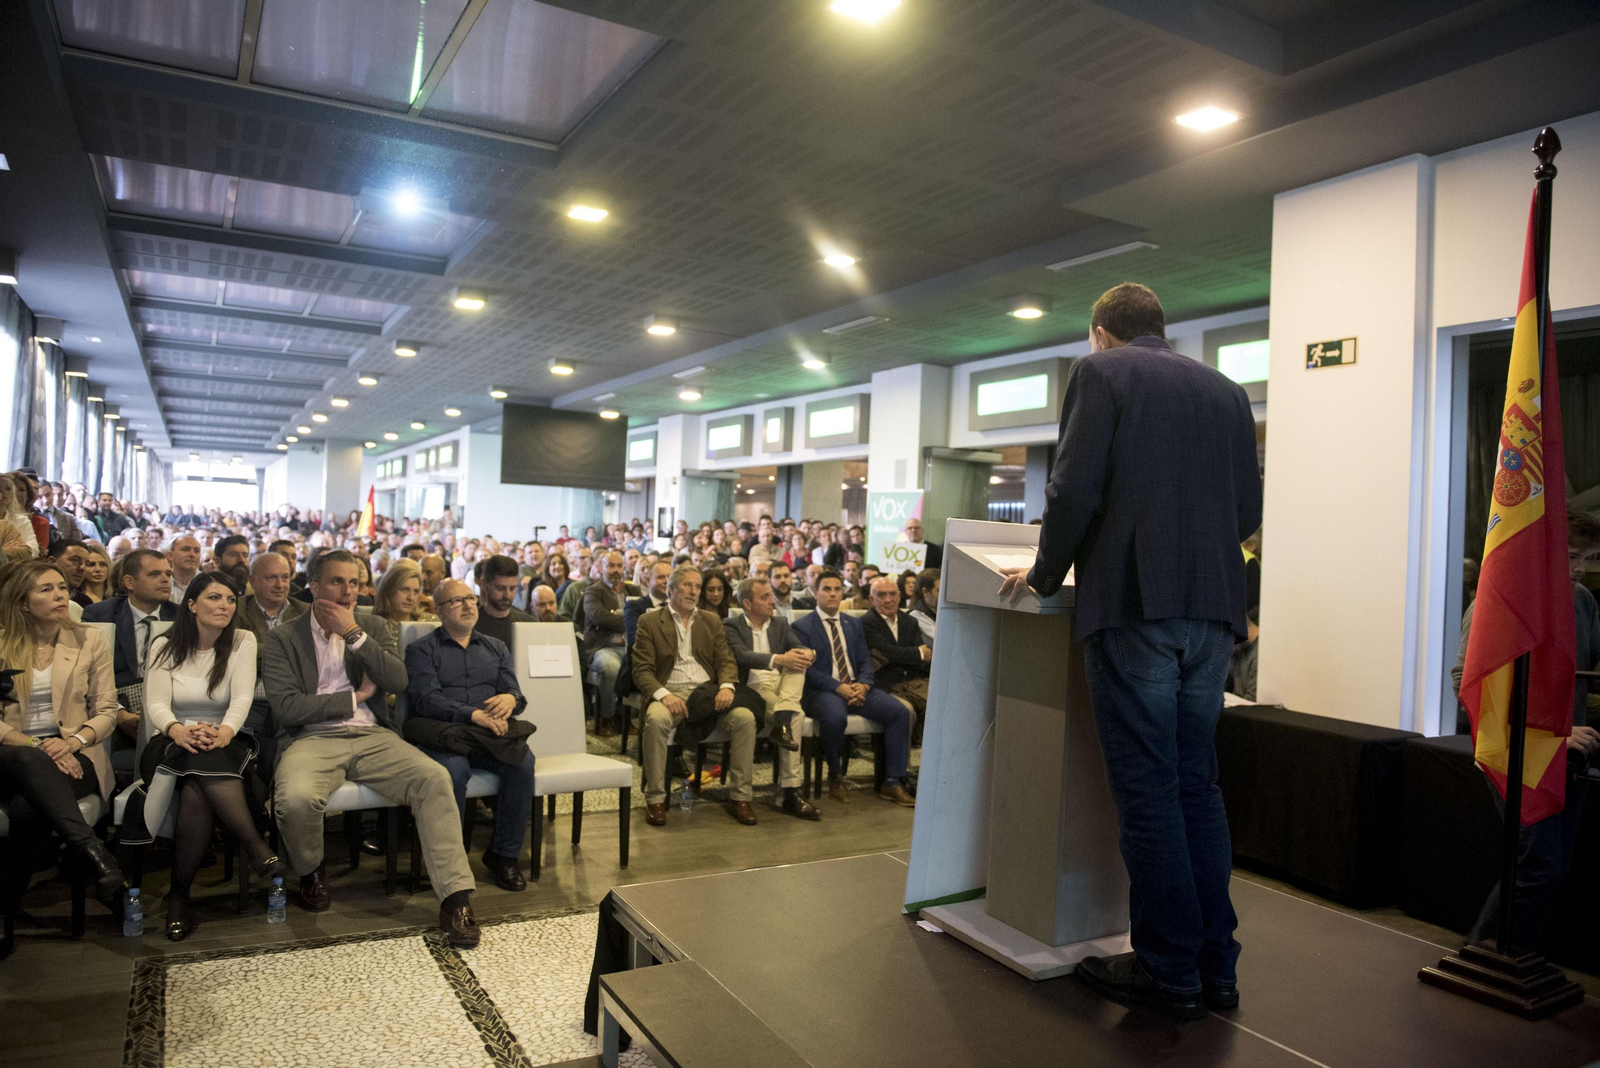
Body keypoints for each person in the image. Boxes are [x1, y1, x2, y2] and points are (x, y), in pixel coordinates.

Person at [997, 282, 1262, 1021]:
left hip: (1136, 605)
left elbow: (1074, 489)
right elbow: (1249, 511)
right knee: (1196, 790)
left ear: (1099, 333)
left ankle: (1169, 969)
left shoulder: (1101, 374)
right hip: (1212, 613)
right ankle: (1216, 968)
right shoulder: (1228, 392)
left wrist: (1046, 576)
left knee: (1148, 792)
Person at [263, 550, 480, 947]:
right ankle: (311, 871)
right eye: (336, 582)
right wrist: (354, 697)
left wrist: (353, 635)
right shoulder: (282, 637)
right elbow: (288, 707)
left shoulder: (372, 626)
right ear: (313, 587)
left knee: (434, 777)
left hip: (373, 736)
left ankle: (455, 898)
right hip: (311, 738)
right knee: (295, 800)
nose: (348, 592)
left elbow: (397, 680)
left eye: (354, 582)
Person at [1453, 511, 1600, 952]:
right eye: (1573, 556)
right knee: (1538, 864)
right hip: (1515, 751)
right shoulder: (1499, 601)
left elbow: (1587, 673)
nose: (1580, 569)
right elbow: (1469, 683)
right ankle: (1495, 957)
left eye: (1589, 559)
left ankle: (1499, 955)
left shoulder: (1581, 601)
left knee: (1547, 866)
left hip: (1569, 754)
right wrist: (1549, 733)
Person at [118, 574, 282, 940]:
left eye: (230, 598)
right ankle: (255, 846)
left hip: (225, 738)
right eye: (214, 598)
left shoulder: (242, 640)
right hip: (170, 740)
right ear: (191, 605)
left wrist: (224, 731)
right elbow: (156, 703)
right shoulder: (165, 644)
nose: (225, 605)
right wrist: (178, 729)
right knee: (195, 762)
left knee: (196, 788)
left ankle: (179, 897)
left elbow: (241, 699)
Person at [0, 561, 126, 916]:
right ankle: (96, 853)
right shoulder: (1, 642)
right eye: (46, 589)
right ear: (23, 602)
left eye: (61, 587)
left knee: (29, 810)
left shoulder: (88, 639)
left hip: (75, 750)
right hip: (12, 751)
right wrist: (35, 744)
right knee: (30, 759)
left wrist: (73, 742)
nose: (60, 596)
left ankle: (5, 907)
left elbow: (107, 710)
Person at [404, 579, 537, 892]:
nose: (467, 605)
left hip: (487, 735)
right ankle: (452, 860)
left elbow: (514, 691)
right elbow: (427, 700)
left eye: (470, 599)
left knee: (523, 763)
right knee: (454, 770)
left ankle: (503, 855)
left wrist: (511, 699)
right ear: (438, 610)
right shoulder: (421, 649)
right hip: (445, 733)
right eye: (456, 601)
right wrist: (473, 714)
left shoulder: (495, 647)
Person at [633, 566, 759, 827]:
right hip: (670, 693)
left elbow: (726, 660)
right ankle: (656, 799)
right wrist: (664, 695)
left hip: (707, 693)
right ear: (670, 590)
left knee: (745, 718)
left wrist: (726, 686)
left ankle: (740, 797)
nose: (694, 591)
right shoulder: (650, 622)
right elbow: (642, 671)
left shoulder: (711, 620)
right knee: (655, 721)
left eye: (697, 586)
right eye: (687, 585)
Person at [792, 571, 915, 807]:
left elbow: (865, 661)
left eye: (837, 589)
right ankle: (836, 777)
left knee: (899, 712)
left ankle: (892, 782)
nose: (833, 594)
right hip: (823, 691)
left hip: (857, 686)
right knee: (836, 717)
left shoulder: (853, 623)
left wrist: (865, 684)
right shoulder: (802, 626)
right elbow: (808, 670)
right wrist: (838, 687)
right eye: (826, 589)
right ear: (814, 592)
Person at [724, 577, 820, 821]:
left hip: (782, 686)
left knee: (798, 667)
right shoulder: (731, 625)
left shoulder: (780, 623)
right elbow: (742, 656)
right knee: (795, 716)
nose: (772, 600)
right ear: (747, 603)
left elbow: (796, 647)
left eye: (771, 595)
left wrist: (806, 653)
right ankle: (791, 792)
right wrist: (779, 659)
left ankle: (783, 716)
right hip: (754, 687)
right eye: (764, 597)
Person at [238, 551, 307, 775]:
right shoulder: (236, 610)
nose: (280, 585)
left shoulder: (306, 613)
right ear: (252, 581)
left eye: (285, 577)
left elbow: (308, 658)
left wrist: (256, 650)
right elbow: (235, 653)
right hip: (251, 699)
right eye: (271, 578)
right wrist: (284, 653)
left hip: (295, 700)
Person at [861, 576, 933, 731]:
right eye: (881, 595)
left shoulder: (909, 621)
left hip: (912, 682)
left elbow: (923, 657)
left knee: (946, 702)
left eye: (893, 594)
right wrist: (917, 653)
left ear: (899, 596)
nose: (888, 600)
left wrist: (911, 655)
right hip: (884, 685)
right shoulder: (866, 622)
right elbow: (887, 652)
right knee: (907, 710)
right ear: (871, 600)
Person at [583, 551, 640, 737]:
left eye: (618, 566)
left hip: (629, 648)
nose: (615, 570)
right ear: (601, 568)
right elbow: (600, 617)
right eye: (610, 566)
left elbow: (646, 617)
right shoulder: (593, 590)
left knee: (641, 665)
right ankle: (607, 717)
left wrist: (616, 614)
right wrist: (629, 620)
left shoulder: (633, 591)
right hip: (602, 647)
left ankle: (625, 717)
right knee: (611, 668)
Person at [473, 555, 534, 647]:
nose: (507, 595)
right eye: (500, 588)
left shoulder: (529, 624)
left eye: (512, 588)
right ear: (485, 584)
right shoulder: (471, 625)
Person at [625, 559, 671, 646]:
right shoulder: (635, 606)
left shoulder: (680, 606)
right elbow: (635, 640)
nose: (667, 581)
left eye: (670, 577)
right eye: (661, 577)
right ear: (648, 580)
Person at [0, 474, 36, 561]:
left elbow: (31, 550)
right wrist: (6, 550)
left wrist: (2, 552)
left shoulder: (20, 520)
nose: (3, 492)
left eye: (8, 489)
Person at [47, 540, 93, 609]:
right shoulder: (35, 596)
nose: (82, 567)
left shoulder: (85, 602)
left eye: (87, 564)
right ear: (52, 562)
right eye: (75, 560)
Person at [907, 567, 940, 647]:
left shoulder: (940, 611)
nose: (944, 596)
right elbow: (943, 640)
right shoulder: (917, 615)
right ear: (925, 592)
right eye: (939, 590)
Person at [166, 535, 202, 603]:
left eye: (197, 551)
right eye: (185, 549)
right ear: (171, 555)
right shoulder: (161, 581)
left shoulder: (208, 583)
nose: (192, 554)